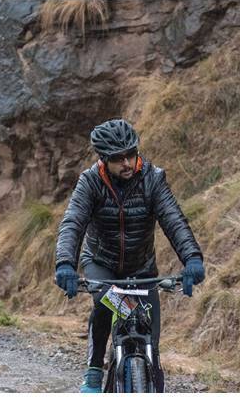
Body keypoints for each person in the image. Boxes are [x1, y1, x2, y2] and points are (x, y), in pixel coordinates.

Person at [54, 119, 205, 393]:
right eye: (117, 158)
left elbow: (173, 219)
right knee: (103, 303)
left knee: (151, 344)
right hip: (101, 263)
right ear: (103, 159)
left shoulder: (153, 178)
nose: (126, 163)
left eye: (131, 154)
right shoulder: (90, 182)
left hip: (142, 266)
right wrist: (65, 263)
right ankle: (94, 370)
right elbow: (73, 222)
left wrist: (192, 259)